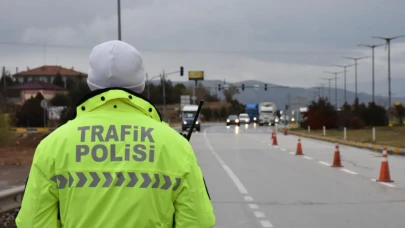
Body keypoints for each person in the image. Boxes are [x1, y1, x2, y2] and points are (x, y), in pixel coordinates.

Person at [16, 40, 216, 228]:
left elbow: (32, 223)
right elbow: (199, 221)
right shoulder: (175, 146)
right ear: (141, 83)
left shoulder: (53, 146)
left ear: (91, 82)